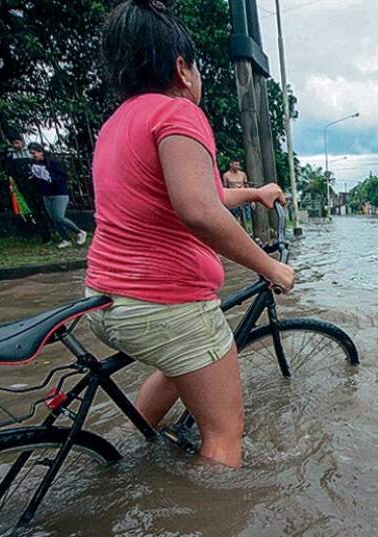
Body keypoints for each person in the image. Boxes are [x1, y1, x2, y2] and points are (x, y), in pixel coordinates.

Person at [85, 0, 295, 468]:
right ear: (182, 68)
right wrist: (269, 266)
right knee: (225, 433)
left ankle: (122, 463)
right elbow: (198, 209)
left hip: (107, 300)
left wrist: (255, 192)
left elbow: (198, 194)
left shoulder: (117, 124)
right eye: (197, 67)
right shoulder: (177, 113)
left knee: (177, 364)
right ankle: (216, 531)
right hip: (166, 305)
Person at [26, 142, 88, 248]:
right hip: (47, 194)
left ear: (41, 152)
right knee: (54, 218)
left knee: (59, 216)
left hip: (59, 193)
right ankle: (66, 238)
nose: (33, 156)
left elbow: (62, 177)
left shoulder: (53, 163)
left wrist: (51, 179)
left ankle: (79, 231)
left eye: (34, 153)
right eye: (31, 154)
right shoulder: (34, 165)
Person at [3, 133, 52, 243]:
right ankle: (45, 236)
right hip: (24, 187)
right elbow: (11, 173)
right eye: (13, 143)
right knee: (34, 211)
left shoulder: (31, 153)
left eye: (17, 142)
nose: (16, 145)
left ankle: (54, 231)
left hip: (37, 186)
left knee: (45, 209)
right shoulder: (11, 157)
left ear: (22, 141)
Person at [222, 160, 251, 226]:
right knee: (236, 218)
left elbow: (247, 186)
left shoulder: (242, 174)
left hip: (244, 198)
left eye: (238, 165)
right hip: (234, 198)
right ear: (231, 164)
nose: (238, 167)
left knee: (246, 219)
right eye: (236, 165)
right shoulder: (226, 175)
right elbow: (225, 188)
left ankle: (247, 233)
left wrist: (251, 200)